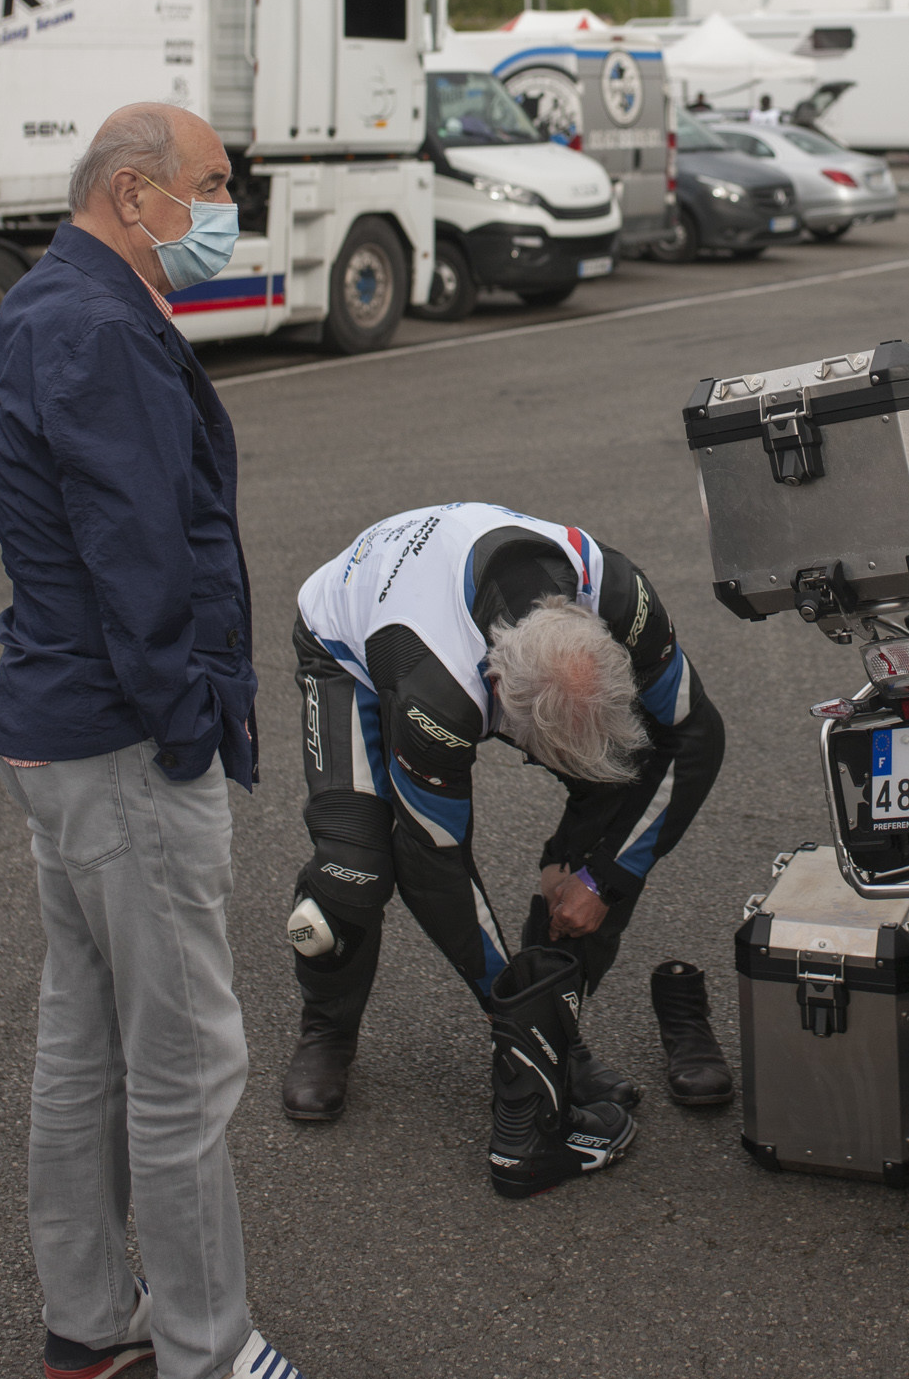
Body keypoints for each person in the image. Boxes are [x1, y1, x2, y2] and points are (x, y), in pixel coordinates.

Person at [0, 104, 375, 1379]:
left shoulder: (52, 307)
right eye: (213, 185)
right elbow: (141, 556)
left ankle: (90, 1315)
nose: (229, 206)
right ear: (134, 192)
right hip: (119, 742)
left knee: (86, 1033)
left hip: (65, 729)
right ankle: (208, 1363)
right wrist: (187, 726)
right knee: (190, 1050)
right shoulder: (94, 328)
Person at [281, 504, 731, 1198]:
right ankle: (328, 1029)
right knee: (356, 871)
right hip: (351, 639)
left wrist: (601, 874)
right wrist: (509, 1003)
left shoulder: (619, 598)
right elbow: (434, 864)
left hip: (473, 603)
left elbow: (695, 737)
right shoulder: (442, 694)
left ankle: (558, 1028)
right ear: (497, 703)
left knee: (622, 796)